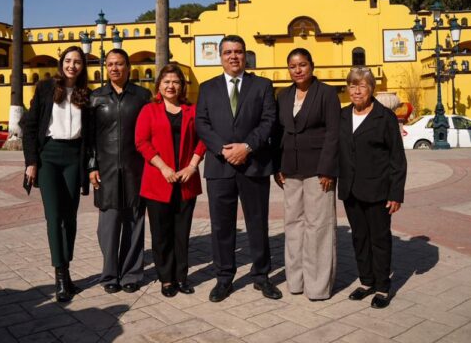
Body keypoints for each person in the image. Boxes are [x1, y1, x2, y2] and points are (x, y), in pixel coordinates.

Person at [195, 35, 280, 302]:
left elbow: (269, 121)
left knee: (258, 222)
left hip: (254, 163)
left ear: (246, 56)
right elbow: (201, 123)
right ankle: (224, 278)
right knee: (221, 225)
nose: (234, 56)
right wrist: (223, 149)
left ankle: (261, 276)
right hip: (219, 167)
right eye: (228, 52)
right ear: (220, 57)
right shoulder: (207, 88)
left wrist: (247, 147)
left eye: (239, 52)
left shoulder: (263, 85)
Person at [21, 46, 92, 302]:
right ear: (62, 63)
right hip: (49, 156)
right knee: (54, 217)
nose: (72, 65)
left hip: (74, 157)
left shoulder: (86, 94)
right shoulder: (45, 88)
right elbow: (29, 126)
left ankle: (67, 271)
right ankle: (60, 278)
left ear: (83, 66)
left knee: (70, 218)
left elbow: (90, 135)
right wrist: (31, 161)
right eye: (68, 61)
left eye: (77, 62)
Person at [274, 48, 340, 300]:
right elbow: (278, 134)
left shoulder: (326, 94)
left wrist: (328, 168)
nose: (298, 70)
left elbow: (333, 133)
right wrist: (277, 166)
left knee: (318, 227)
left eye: (302, 64)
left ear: (312, 65)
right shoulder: (283, 95)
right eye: (293, 66)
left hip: (318, 171)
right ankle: (296, 281)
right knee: (293, 226)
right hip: (290, 170)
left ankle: (318, 286)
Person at [135, 64, 206, 297]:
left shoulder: (192, 110)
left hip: (186, 180)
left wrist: (192, 166)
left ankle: (182, 277)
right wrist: (163, 167)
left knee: (181, 233)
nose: (171, 86)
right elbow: (141, 142)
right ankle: (166, 279)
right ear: (159, 86)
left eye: (175, 81)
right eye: (166, 82)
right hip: (158, 181)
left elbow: (203, 139)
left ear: (182, 85)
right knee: (161, 233)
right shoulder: (149, 110)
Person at [338, 67, 407, 309]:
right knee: (359, 237)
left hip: (378, 190)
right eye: (352, 86)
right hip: (351, 190)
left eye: (362, 86)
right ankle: (366, 281)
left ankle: (383, 287)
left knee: (379, 239)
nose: (357, 91)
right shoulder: (343, 115)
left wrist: (396, 193)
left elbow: (397, 158)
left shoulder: (384, 117)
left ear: (371, 89)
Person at [88, 48, 151, 294]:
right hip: (106, 170)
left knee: (134, 222)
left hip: (136, 168)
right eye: (110, 64)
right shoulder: (96, 98)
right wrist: (91, 165)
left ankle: (132, 274)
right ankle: (110, 274)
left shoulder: (142, 96)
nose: (115, 68)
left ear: (128, 67)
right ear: (106, 68)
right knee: (109, 224)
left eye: (119, 63)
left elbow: (150, 133)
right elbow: (89, 137)